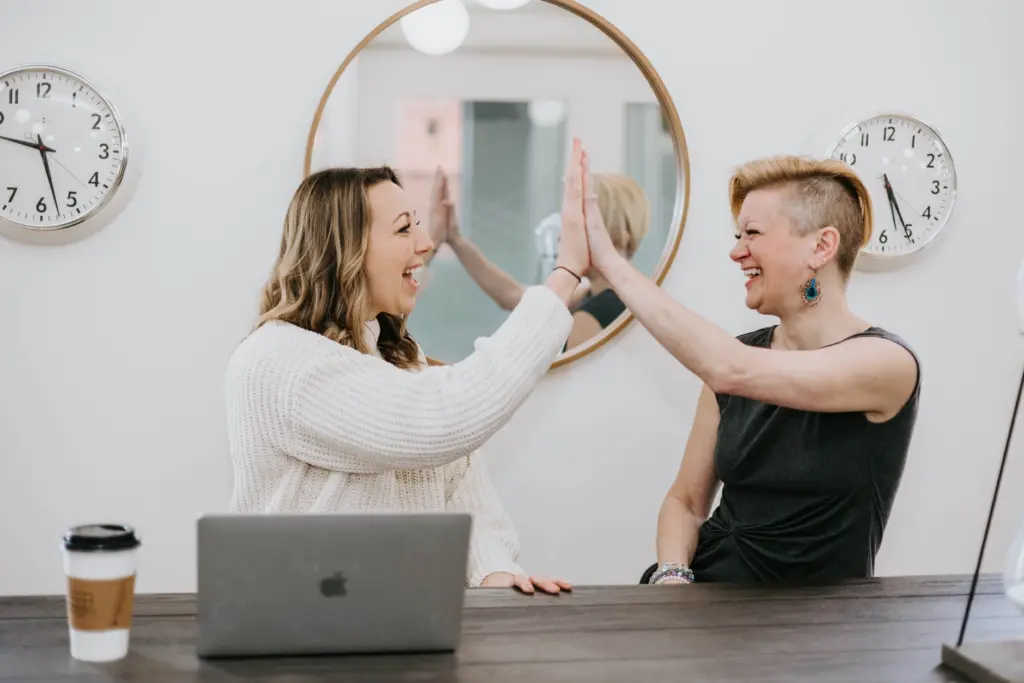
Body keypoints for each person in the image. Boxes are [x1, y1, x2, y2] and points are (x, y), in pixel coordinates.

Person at [223, 138, 594, 594]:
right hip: (302, 638)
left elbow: (464, 502)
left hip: (406, 626)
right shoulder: (276, 361)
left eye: (420, 226)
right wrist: (565, 274)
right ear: (344, 249)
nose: (424, 244)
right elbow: (438, 419)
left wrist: (499, 577)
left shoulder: (400, 360)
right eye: (404, 230)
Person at [576, 146, 921, 584]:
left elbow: (729, 368)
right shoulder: (735, 359)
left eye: (752, 233)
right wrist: (673, 575)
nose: (737, 252)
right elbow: (685, 501)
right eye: (738, 236)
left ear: (821, 245)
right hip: (707, 603)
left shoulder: (888, 363)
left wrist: (609, 262)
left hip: (822, 632)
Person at [426, 169, 650, 350]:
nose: (563, 235)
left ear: (614, 235)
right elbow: (512, 295)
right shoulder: (618, 296)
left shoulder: (591, 316)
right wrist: (455, 240)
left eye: (575, 223)